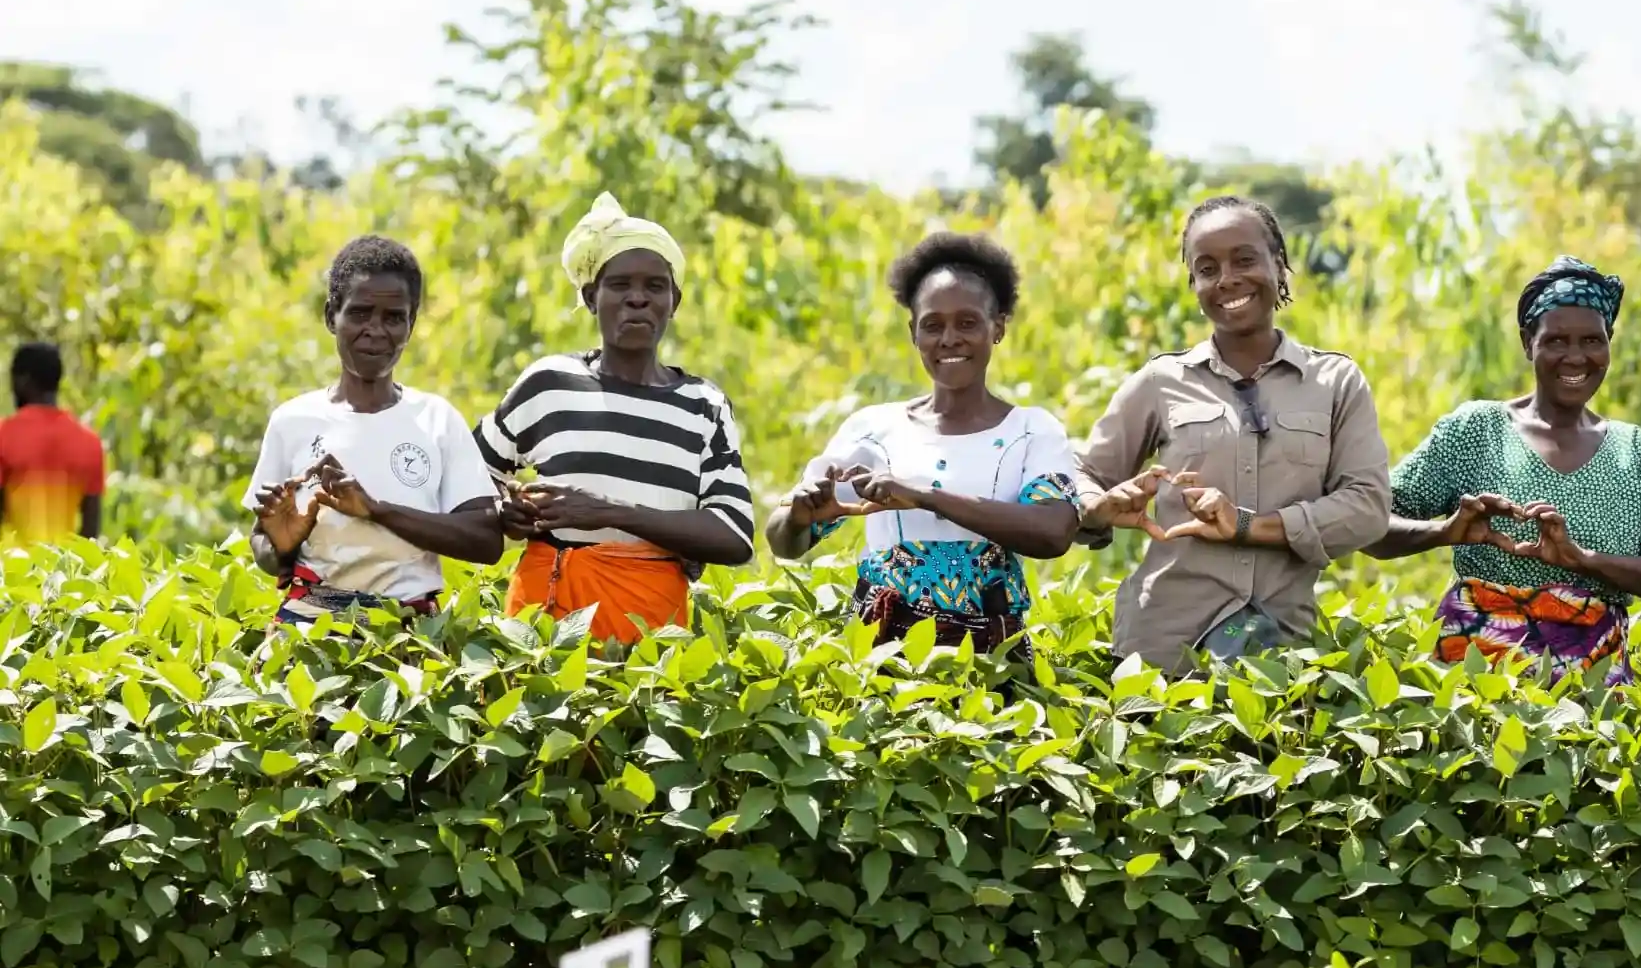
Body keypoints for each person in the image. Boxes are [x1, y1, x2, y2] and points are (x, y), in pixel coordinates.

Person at [1074, 194, 1391, 667]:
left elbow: (1367, 506)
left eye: (1244, 260)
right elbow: (1080, 474)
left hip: (1283, 655)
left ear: (1279, 265)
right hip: (1163, 651)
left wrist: (1249, 526)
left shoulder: (1335, 382)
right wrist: (1097, 507)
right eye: (1207, 269)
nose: (1227, 279)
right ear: (1194, 284)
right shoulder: (1162, 381)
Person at [1370, 257, 1641, 678]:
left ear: (1609, 342)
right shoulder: (1477, 429)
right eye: (1557, 341)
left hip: (1594, 692)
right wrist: (1444, 531)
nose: (1576, 357)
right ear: (1528, 342)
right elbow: (1369, 524)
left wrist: (1583, 559)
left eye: (1592, 341)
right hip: (1479, 683)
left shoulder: (1633, 450)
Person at [766, 232, 1078, 651]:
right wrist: (799, 518)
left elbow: (1054, 532)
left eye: (967, 322)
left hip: (993, 660)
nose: (949, 339)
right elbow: (784, 543)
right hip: (883, 654)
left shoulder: (1030, 431)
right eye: (932, 325)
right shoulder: (873, 428)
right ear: (914, 332)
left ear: (998, 326)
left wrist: (925, 496)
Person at [477, 194, 754, 643]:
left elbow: (733, 533)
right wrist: (506, 511)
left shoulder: (703, 404)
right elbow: (470, 477)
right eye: (621, 285)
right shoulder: (550, 384)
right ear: (591, 298)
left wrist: (607, 512)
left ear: (674, 301)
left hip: (650, 631)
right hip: (542, 625)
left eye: (655, 287)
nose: (638, 299)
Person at [243, 236, 505, 623]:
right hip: (309, 627)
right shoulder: (292, 421)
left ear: (411, 324)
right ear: (332, 316)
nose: (375, 330)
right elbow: (264, 543)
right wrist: (282, 547)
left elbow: (485, 541)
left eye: (393, 317)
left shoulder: (436, 419)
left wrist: (377, 511)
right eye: (360, 313)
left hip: (409, 632)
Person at [0, 341, 106, 545]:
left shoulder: (5, 435)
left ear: (23, 380)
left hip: (13, 572)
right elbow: (91, 531)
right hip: (65, 572)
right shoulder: (90, 442)